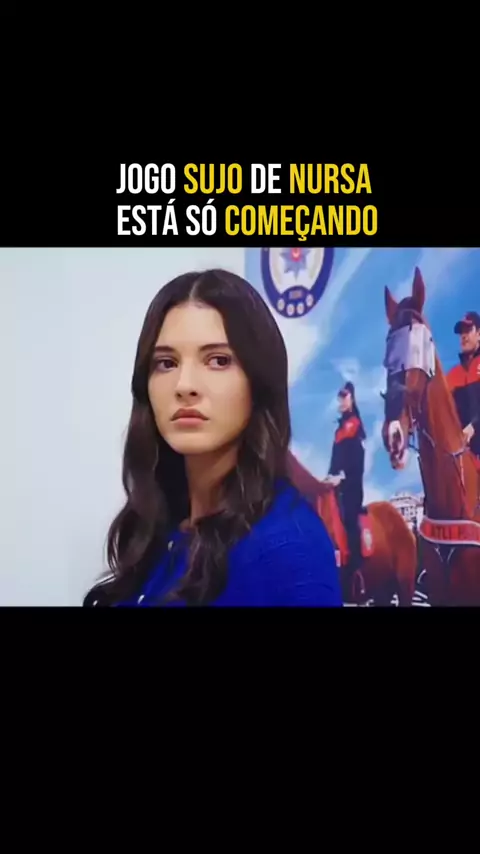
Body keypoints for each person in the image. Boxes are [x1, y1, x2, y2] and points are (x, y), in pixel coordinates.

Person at [83, 268, 342, 607]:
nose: (184, 385)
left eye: (218, 360)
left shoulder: (288, 549)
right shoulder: (160, 529)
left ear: (258, 382)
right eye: (166, 363)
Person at [325, 382, 366, 593]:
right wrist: (328, 477)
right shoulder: (338, 431)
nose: (342, 401)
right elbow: (334, 461)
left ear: (352, 399)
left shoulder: (356, 426)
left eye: (345, 397)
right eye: (340, 398)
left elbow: (358, 460)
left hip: (351, 486)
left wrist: (343, 477)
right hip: (336, 485)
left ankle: (357, 572)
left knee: (349, 518)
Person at [446, 311, 480, 459]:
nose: (463, 336)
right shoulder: (452, 376)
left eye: (468, 330)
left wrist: (474, 427)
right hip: (464, 460)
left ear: (479, 334)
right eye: (461, 333)